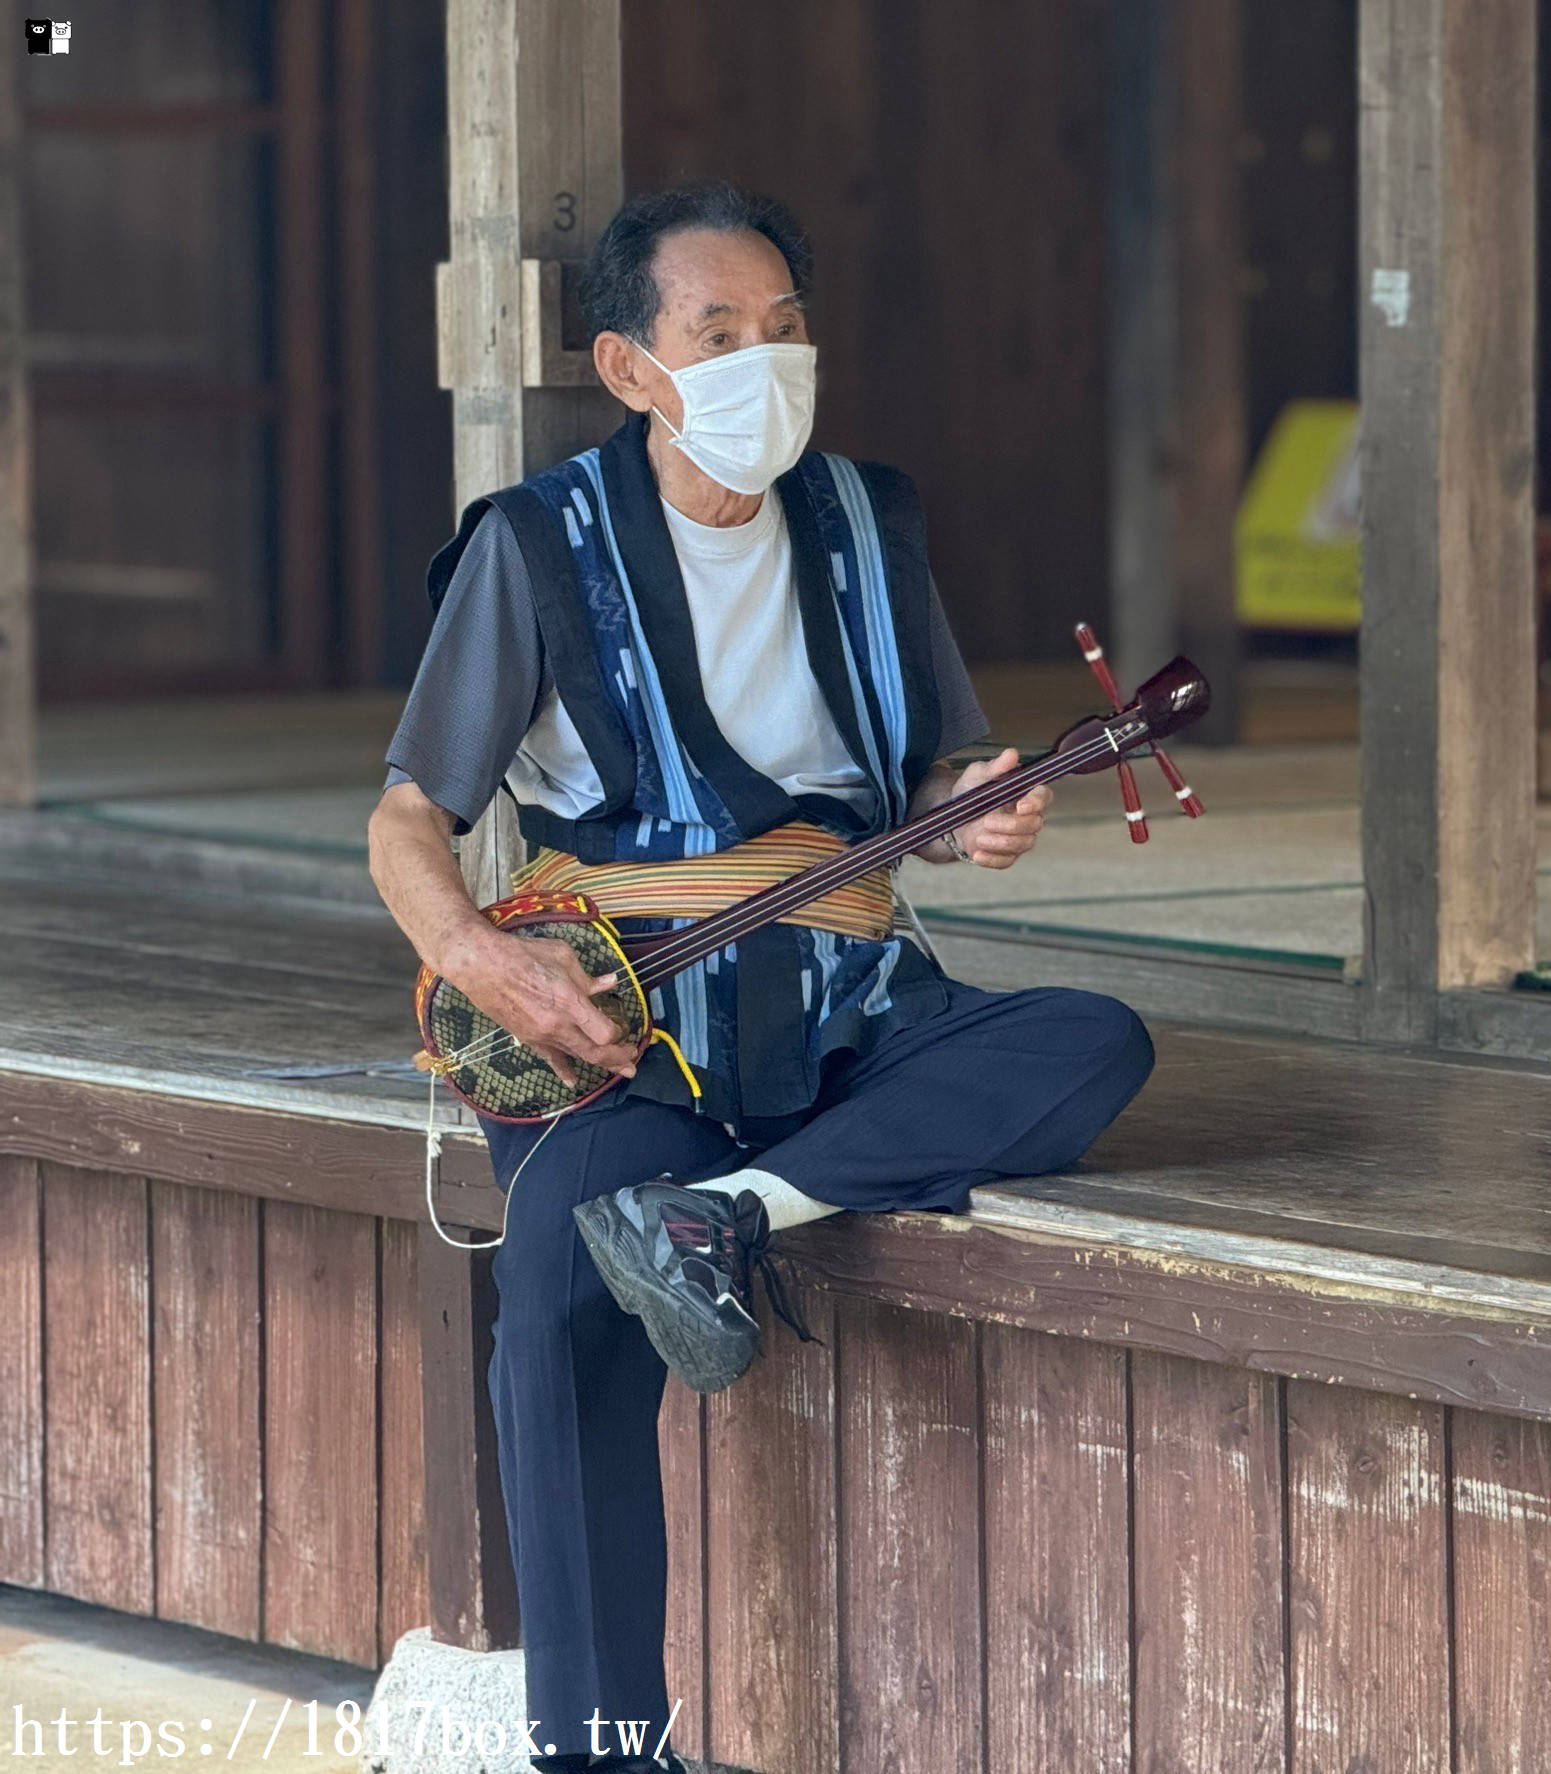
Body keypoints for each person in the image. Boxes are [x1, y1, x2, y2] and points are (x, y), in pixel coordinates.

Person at [367, 182, 1155, 1774]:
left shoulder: (872, 520)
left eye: (784, 329)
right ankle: (598, 1749)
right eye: (717, 333)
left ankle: (732, 1218)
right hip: (638, 1025)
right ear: (630, 365)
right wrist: (479, 955)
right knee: (559, 1292)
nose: (763, 362)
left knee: (1088, 1042)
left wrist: (976, 815)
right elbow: (406, 817)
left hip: (860, 1011)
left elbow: (925, 778)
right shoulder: (536, 546)